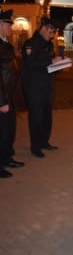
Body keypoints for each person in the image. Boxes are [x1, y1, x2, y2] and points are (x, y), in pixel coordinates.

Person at [21, 17, 62, 158]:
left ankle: (44, 141)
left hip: (47, 86)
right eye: (50, 32)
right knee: (36, 117)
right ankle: (35, 146)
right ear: (43, 29)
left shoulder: (48, 45)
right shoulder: (30, 45)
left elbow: (50, 65)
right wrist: (51, 60)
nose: (52, 35)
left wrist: (59, 65)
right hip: (34, 87)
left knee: (46, 116)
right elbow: (32, 64)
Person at [0, 9, 25, 178]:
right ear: (0, 25)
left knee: (9, 130)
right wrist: (1, 101)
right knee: (1, 131)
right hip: (3, 97)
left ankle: (7, 157)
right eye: (9, 24)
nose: (11, 27)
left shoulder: (6, 45)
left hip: (11, 95)